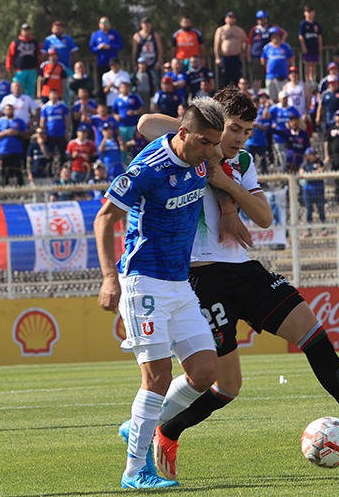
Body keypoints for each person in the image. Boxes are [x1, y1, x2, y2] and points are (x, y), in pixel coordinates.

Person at [134, 88, 339, 481]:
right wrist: (210, 150)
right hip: (200, 278)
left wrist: (228, 187)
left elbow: (263, 217)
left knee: (313, 332)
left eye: (246, 131)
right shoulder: (191, 150)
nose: (238, 139)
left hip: (244, 270)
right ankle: (167, 431)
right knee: (227, 385)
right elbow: (146, 123)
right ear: (209, 126)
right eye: (232, 129)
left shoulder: (242, 161)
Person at [93, 98, 225, 489]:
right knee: (157, 377)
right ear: (182, 133)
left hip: (178, 281)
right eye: (204, 142)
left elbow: (152, 122)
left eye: (213, 143)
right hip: (143, 280)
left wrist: (201, 133)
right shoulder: (148, 170)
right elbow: (104, 219)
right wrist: (108, 277)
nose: (211, 152)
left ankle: (137, 425)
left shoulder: (202, 152)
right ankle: (135, 472)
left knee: (204, 372)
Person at [0, 103, 28, 186]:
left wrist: (17, 133)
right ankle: (4, 189)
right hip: (4, 151)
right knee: (4, 173)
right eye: (7, 109)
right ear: (4, 111)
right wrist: (6, 133)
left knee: (18, 172)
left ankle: (21, 189)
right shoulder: (0, 121)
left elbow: (26, 135)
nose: (9, 111)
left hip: (17, 151)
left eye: (10, 109)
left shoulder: (19, 121)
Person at [90, 17, 123, 102]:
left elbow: (120, 46)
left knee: (114, 84)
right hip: (101, 64)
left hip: (113, 65)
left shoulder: (114, 34)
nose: (105, 25)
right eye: (103, 23)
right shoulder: (95, 35)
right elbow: (91, 48)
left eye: (106, 23)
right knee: (100, 86)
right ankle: (101, 104)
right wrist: (98, 47)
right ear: (99, 25)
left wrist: (110, 46)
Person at [5, 26, 39, 98]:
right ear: (21, 31)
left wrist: (38, 68)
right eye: (25, 30)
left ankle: (29, 107)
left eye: (28, 30)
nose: (27, 32)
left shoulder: (35, 42)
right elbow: (10, 56)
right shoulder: (16, 42)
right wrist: (9, 68)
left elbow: (40, 55)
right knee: (18, 89)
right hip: (19, 71)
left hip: (32, 70)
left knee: (30, 90)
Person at [214, 11, 246, 88]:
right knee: (225, 78)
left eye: (233, 18)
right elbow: (216, 44)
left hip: (236, 57)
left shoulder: (239, 30)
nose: (231, 19)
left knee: (237, 78)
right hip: (225, 58)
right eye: (229, 18)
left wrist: (243, 53)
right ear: (225, 19)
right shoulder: (221, 30)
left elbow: (245, 42)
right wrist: (217, 57)